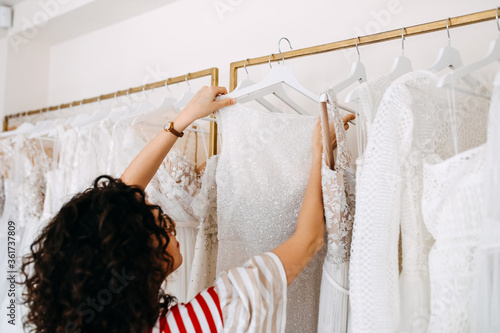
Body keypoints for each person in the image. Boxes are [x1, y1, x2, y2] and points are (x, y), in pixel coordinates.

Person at [21, 86, 355, 333]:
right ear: (136, 259)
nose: (168, 225)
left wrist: (181, 122)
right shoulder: (202, 317)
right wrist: (317, 153)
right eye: (160, 225)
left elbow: (116, 204)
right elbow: (308, 239)